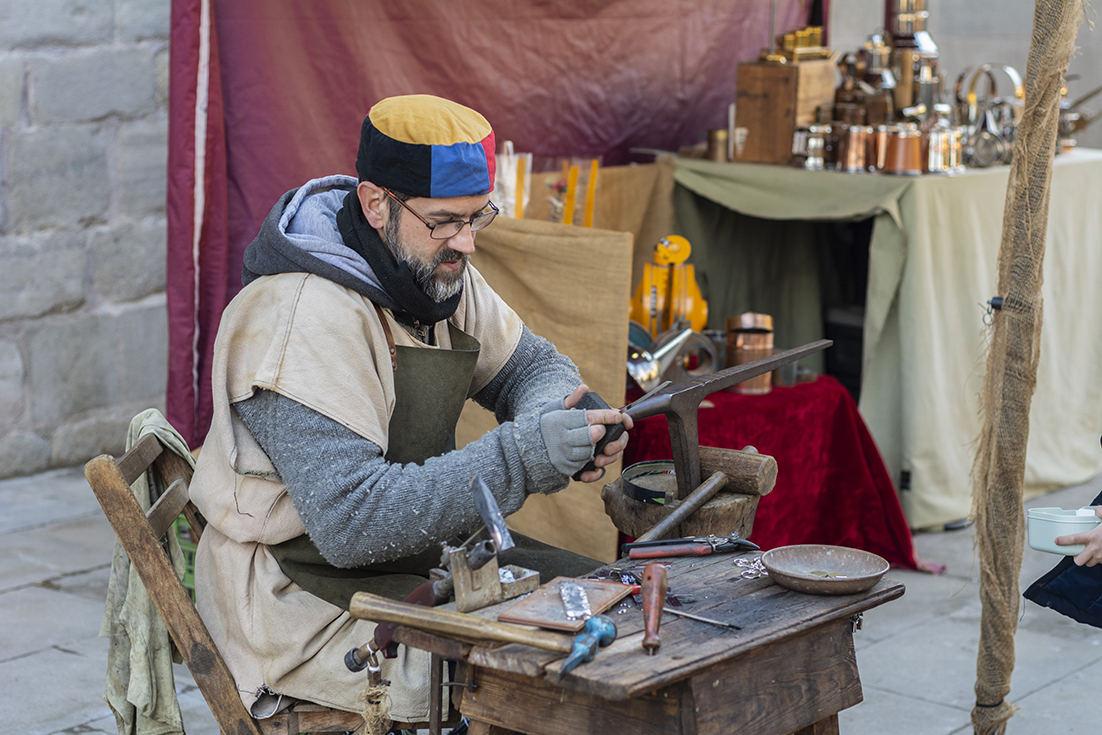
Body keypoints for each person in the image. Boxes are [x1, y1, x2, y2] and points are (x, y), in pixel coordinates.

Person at [187, 94, 632, 722]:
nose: (468, 243)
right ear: (376, 204)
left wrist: (566, 415)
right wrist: (525, 454)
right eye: (447, 221)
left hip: (417, 556)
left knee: (614, 601)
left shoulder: (430, 264)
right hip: (300, 601)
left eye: (479, 218)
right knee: (557, 671)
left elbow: (531, 366)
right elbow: (350, 524)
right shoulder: (301, 314)